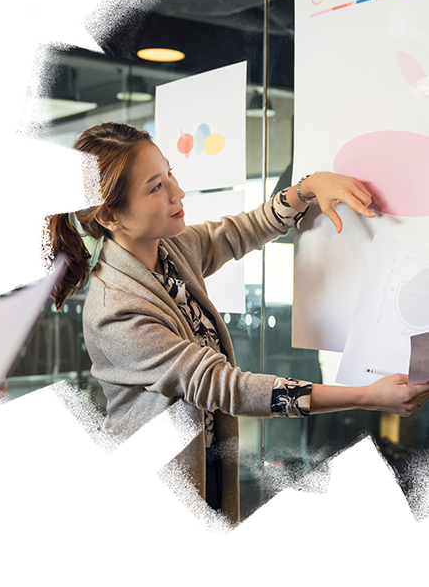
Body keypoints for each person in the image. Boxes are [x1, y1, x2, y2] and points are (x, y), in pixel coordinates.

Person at [40, 122, 429, 535]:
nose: (178, 192)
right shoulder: (114, 309)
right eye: (155, 187)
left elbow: (239, 231)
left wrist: (308, 188)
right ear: (108, 216)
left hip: (201, 460)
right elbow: (226, 387)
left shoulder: (170, 251)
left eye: (169, 173)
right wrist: (367, 396)